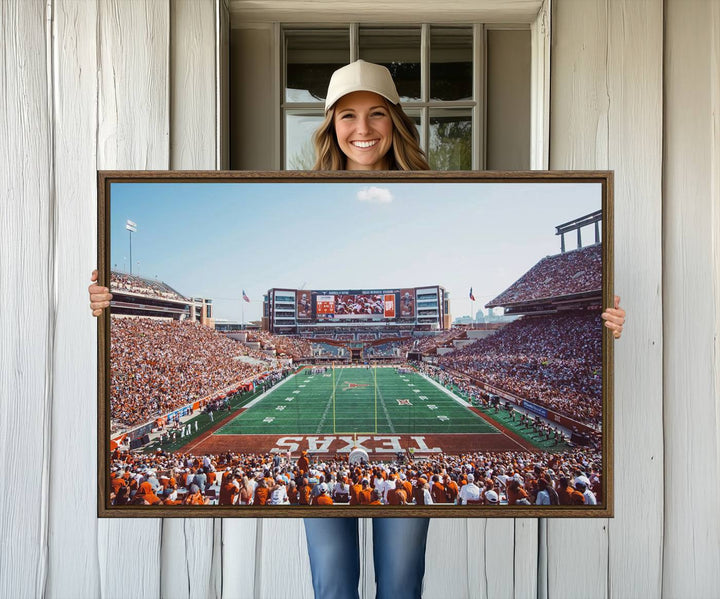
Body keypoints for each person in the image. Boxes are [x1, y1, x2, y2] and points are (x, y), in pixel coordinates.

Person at [88, 59, 627, 599]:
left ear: (395, 120)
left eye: (375, 114)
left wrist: (602, 321)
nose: (362, 129)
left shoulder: (438, 191)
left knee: (399, 583)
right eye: (347, 115)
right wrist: (109, 303)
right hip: (330, 473)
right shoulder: (296, 190)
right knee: (332, 583)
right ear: (330, 125)